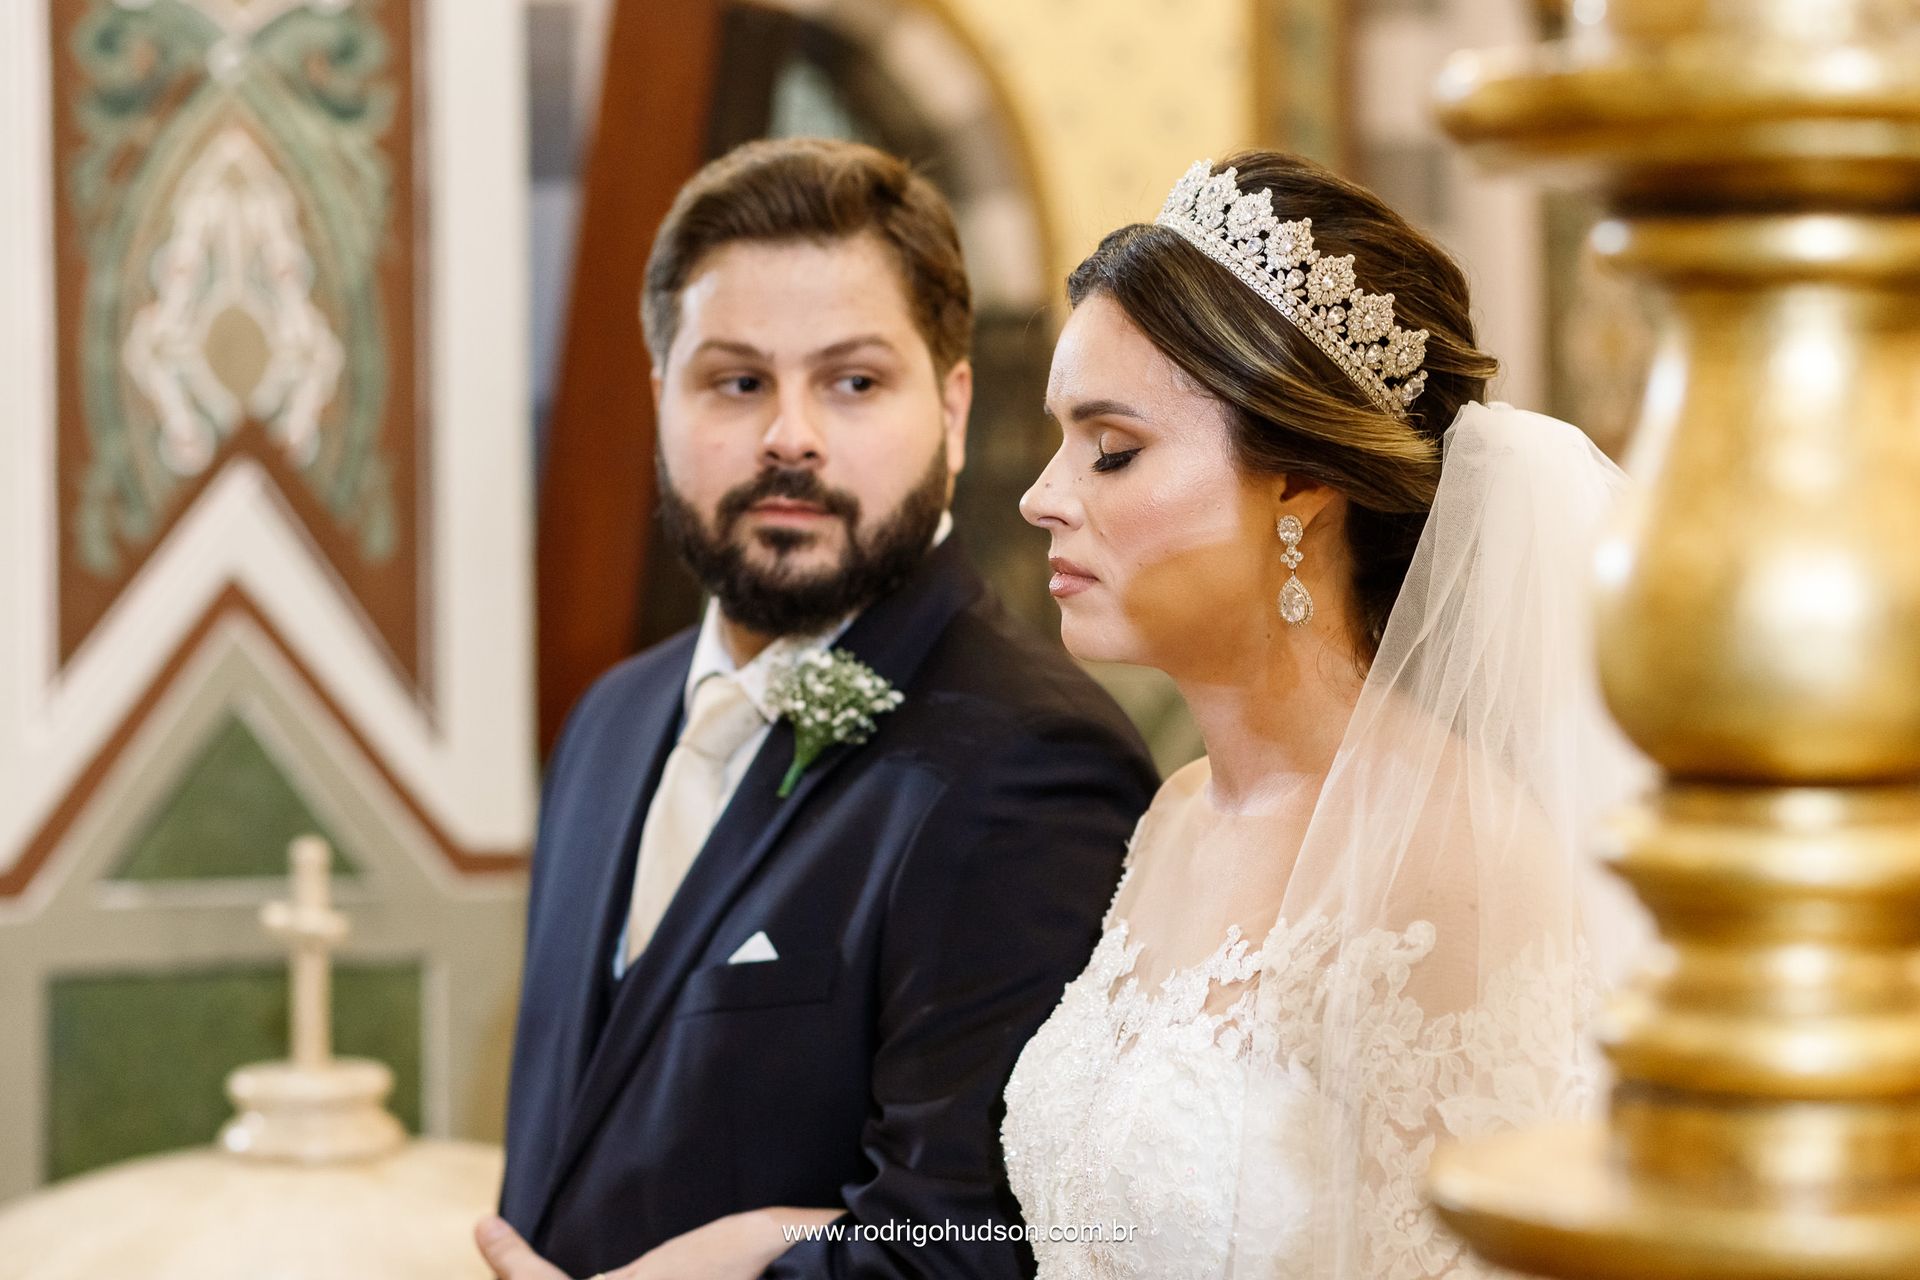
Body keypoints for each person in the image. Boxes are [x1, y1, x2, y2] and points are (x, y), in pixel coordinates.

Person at [479, 138, 1158, 1280]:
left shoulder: (1034, 763)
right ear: (660, 399)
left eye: (852, 381)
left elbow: (971, 1247)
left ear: (951, 407)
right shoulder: (607, 722)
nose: (788, 434)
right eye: (736, 381)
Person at [1001, 152, 1649, 1278]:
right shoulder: (1176, 814)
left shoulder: (1454, 861)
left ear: (1299, 480)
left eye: (1112, 449)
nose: (1043, 495)